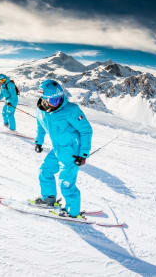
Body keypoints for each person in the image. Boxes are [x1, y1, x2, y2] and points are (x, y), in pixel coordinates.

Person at [31, 79, 93, 219]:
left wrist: (83, 154)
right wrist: (38, 142)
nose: (57, 102)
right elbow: (41, 127)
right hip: (57, 149)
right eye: (53, 101)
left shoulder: (71, 110)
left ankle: (72, 212)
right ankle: (49, 199)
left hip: (72, 152)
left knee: (66, 183)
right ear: (44, 99)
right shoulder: (41, 111)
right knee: (45, 171)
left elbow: (86, 131)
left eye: (59, 98)